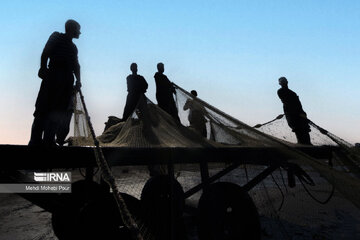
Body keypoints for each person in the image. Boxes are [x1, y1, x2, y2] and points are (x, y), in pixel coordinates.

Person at [29, 19, 81, 146]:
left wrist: (78, 81)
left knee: (58, 112)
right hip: (53, 78)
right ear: (71, 29)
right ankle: (35, 140)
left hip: (66, 83)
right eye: (78, 29)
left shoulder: (73, 47)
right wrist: (43, 67)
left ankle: (49, 139)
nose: (80, 32)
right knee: (43, 109)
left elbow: (76, 65)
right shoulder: (56, 37)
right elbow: (46, 52)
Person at [277, 77, 311, 145]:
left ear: (287, 81)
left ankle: (307, 143)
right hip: (291, 113)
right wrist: (296, 112)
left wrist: (302, 112)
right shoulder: (280, 91)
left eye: (284, 81)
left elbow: (298, 104)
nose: (283, 82)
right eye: (282, 81)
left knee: (304, 128)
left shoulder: (293, 93)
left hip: (299, 113)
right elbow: (287, 101)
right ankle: (301, 143)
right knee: (297, 128)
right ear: (279, 83)